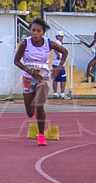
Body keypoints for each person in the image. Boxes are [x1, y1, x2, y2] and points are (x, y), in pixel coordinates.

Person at [13, 18, 67, 146]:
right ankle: (37, 113)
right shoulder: (25, 44)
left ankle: (41, 135)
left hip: (43, 76)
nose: (35, 33)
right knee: (30, 113)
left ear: (43, 32)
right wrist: (31, 72)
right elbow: (16, 61)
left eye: (38, 31)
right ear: (30, 31)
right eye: (33, 30)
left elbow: (65, 52)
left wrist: (57, 69)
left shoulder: (49, 44)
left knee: (39, 104)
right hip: (28, 77)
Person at [51, 29, 69, 99]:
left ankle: (55, 94)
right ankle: (62, 94)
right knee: (63, 79)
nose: (62, 37)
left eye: (62, 36)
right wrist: (58, 54)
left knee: (55, 79)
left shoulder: (58, 43)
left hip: (55, 63)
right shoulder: (57, 42)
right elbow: (55, 49)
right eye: (60, 36)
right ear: (57, 36)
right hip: (59, 63)